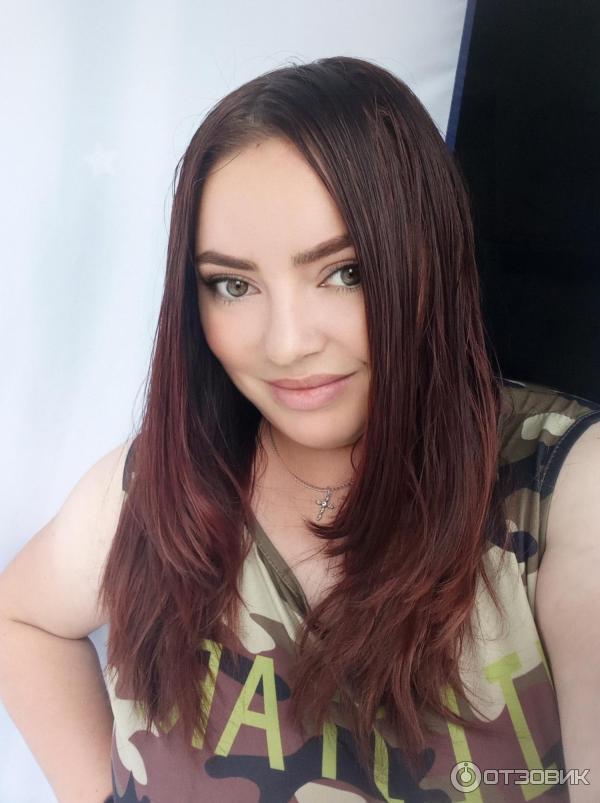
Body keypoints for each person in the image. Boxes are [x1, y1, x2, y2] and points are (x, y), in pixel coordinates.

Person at [1, 56, 599, 803]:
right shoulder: (160, 481)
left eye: (345, 272)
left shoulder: (560, 488)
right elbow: (20, 619)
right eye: (233, 285)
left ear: (430, 256)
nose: (286, 344)